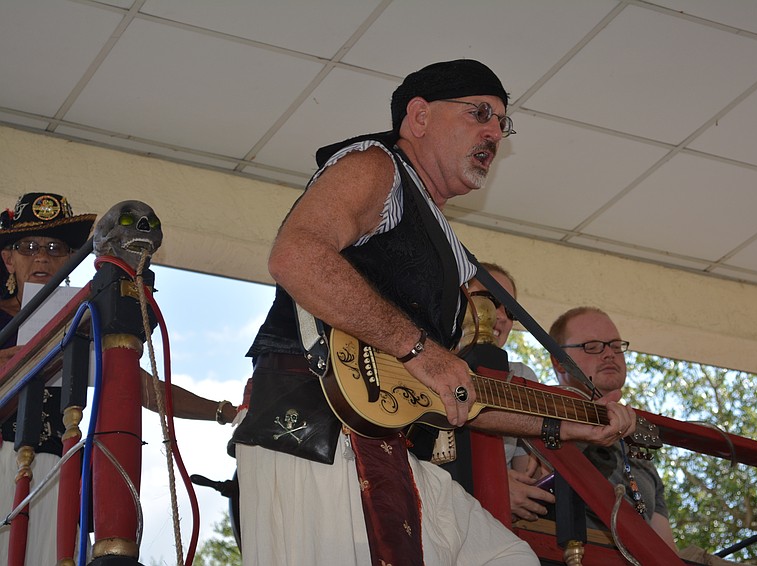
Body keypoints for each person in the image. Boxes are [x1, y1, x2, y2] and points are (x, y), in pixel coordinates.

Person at [231, 59, 636, 566]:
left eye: (501, 123)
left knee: (508, 558)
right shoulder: (376, 165)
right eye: (479, 113)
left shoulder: (438, 232)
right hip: (314, 429)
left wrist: (569, 426)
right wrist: (422, 349)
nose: (494, 133)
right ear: (418, 117)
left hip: (390, 445)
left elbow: (456, 393)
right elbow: (297, 256)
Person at [0, 192, 237, 565]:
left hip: (61, 472)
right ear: (7, 258)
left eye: (55, 246)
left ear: (68, 257)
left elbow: (135, 383)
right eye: (28, 246)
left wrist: (226, 411)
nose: (42, 256)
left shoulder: (81, 315)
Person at [548, 306, 677, 550]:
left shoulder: (641, 456)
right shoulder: (537, 425)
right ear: (559, 362)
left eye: (616, 345)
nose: (609, 354)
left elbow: (666, 550)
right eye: (593, 346)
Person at [465, 262, 556, 522]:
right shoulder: (423, 359)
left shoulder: (521, 376)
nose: (502, 317)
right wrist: (490, 486)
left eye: (510, 310)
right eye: (490, 301)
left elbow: (528, 475)